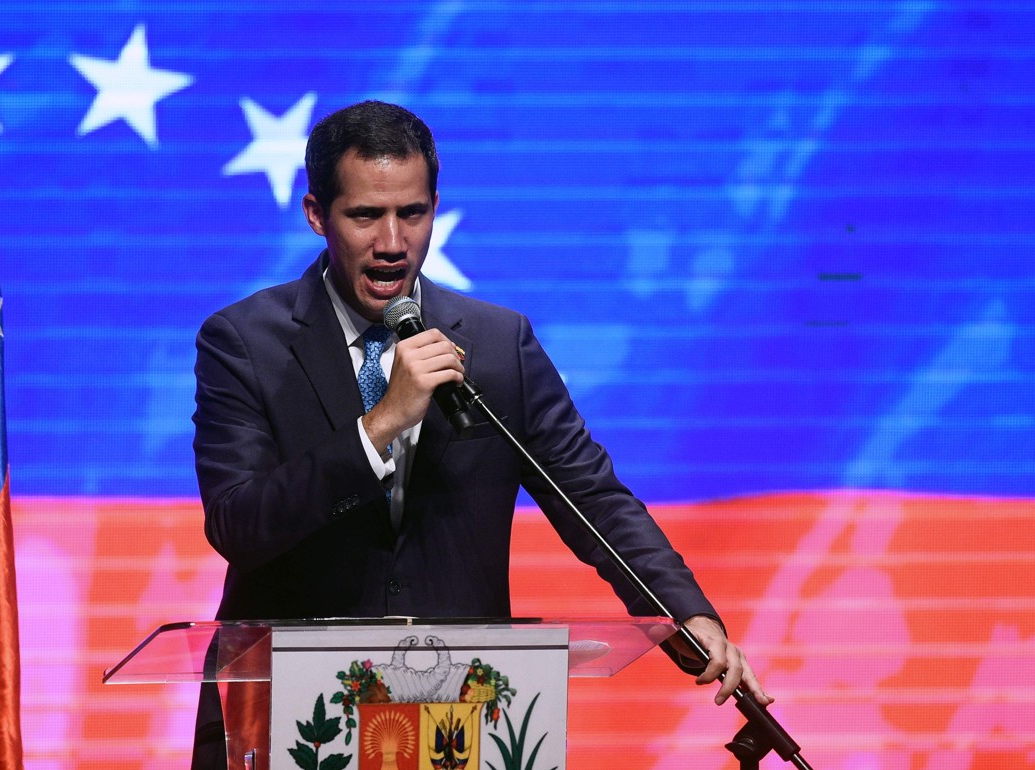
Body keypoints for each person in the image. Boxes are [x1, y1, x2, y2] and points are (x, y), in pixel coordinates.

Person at [189, 100, 771, 768]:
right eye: (365, 216)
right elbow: (238, 523)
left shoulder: (499, 346)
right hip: (285, 712)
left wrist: (684, 614)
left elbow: (589, 497)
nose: (392, 242)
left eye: (412, 213)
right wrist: (380, 425)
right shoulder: (244, 343)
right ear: (317, 214)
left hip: (456, 710)